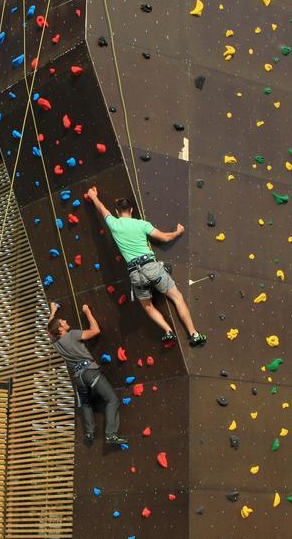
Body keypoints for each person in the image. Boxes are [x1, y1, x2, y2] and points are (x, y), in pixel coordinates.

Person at [86, 187, 206, 347]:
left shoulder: (114, 224)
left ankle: (167, 331)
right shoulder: (141, 224)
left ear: (117, 211)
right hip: (151, 266)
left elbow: (102, 209)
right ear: (132, 210)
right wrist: (177, 232)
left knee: (148, 306)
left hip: (135, 273)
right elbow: (164, 237)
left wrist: (94, 196)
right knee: (177, 298)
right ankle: (193, 334)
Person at [48, 302, 127, 446]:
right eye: (62, 322)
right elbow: (95, 330)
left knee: (85, 404)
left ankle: (89, 433)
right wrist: (87, 312)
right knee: (112, 400)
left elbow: (49, 329)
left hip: (79, 378)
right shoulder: (73, 335)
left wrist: (53, 311)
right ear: (60, 329)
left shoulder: (56, 343)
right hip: (90, 373)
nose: (65, 321)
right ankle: (111, 434)